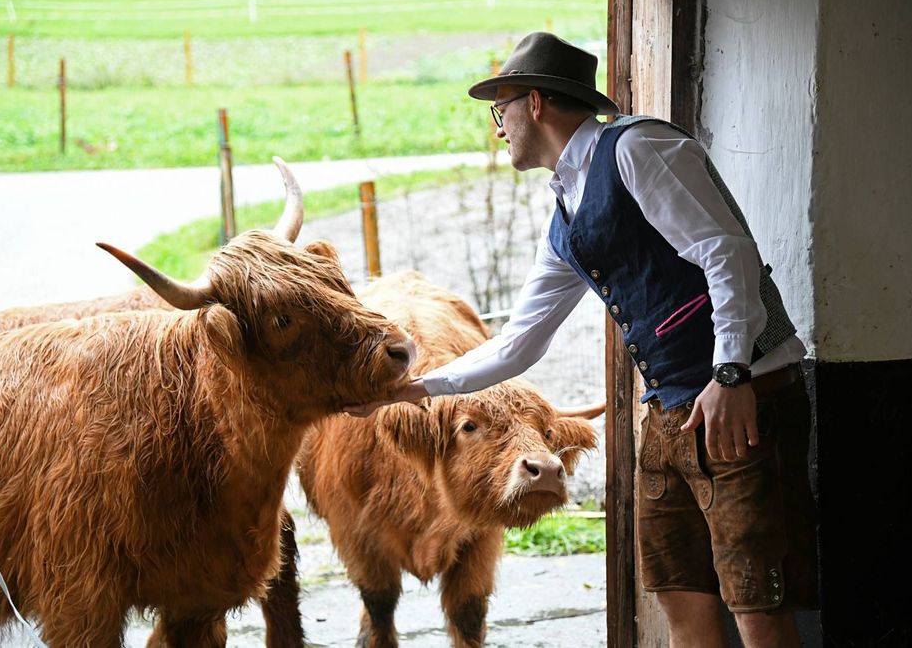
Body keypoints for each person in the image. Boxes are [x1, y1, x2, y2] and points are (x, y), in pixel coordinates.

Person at [346, 31, 818, 647]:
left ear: (535, 103)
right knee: (682, 598)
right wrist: (411, 391)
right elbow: (519, 341)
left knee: (757, 603)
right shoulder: (567, 209)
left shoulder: (638, 148)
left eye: (501, 109)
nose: (499, 128)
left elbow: (726, 253)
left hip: (743, 396)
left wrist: (730, 371)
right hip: (673, 411)